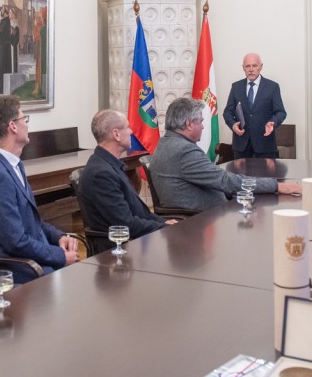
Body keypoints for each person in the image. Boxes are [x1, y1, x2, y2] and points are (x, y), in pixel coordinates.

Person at [0, 95, 78, 283]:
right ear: (12, 126)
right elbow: (16, 242)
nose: (27, 125)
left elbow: (32, 223)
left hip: (32, 262)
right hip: (17, 269)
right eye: (24, 119)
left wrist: (59, 237)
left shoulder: (14, 165)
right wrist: (59, 256)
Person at [150, 97, 300, 211]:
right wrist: (277, 186)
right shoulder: (184, 151)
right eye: (200, 122)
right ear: (189, 124)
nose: (203, 127)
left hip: (205, 213)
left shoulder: (166, 143)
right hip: (201, 220)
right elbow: (226, 181)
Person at [78, 110, 177, 253]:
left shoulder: (109, 164)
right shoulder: (101, 174)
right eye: (127, 127)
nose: (131, 131)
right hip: (117, 251)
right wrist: (164, 227)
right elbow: (125, 224)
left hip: (135, 243)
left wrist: (163, 222)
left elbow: (139, 212)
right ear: (116, 134)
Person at [222, 52, 287, 158]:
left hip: (265, 144)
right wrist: (233, 125)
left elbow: (281, 112)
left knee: (265, 170)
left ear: (261, 67)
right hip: (241, 145)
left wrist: (273, 123)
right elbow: (227, 112)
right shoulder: (236, 87)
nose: (251, 69)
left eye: (254, 65)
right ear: (243, 68)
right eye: (247, 66)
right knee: (239, 170)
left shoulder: (272, 87)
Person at [0, 6, 12, 93]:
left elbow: (1, 35)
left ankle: (1, 89)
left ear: (4, 12)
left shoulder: (3, 21)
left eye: (2, 10)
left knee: (1, 67)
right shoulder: (9, 21)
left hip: (2, 47)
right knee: (7, 66)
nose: (1, 12)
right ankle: (6, 88)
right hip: (7, 47)